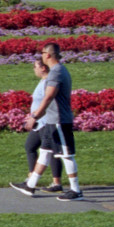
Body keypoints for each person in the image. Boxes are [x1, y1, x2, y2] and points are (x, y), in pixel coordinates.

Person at [17, 42, 83, 200]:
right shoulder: (59, 70)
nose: (41, 56)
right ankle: (30, 185)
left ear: (47, 55)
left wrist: (34, 117)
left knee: (66, 155)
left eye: (42, 53)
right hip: (52, 121)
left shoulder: (56, 72)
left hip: (59, 120)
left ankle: (76, 190)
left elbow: (48, 97)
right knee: (45, 152)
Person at [12, 58, 68, 195]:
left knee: (51, 152)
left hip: (44, 122)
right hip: (38, 121)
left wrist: (35, 117)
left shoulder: (48, 83)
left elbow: (47, 101)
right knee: (33, 147)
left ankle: (42, 182)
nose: (34, 69)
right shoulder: (43, 81)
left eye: (35, 66)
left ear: (43, 68)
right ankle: (34, 180)